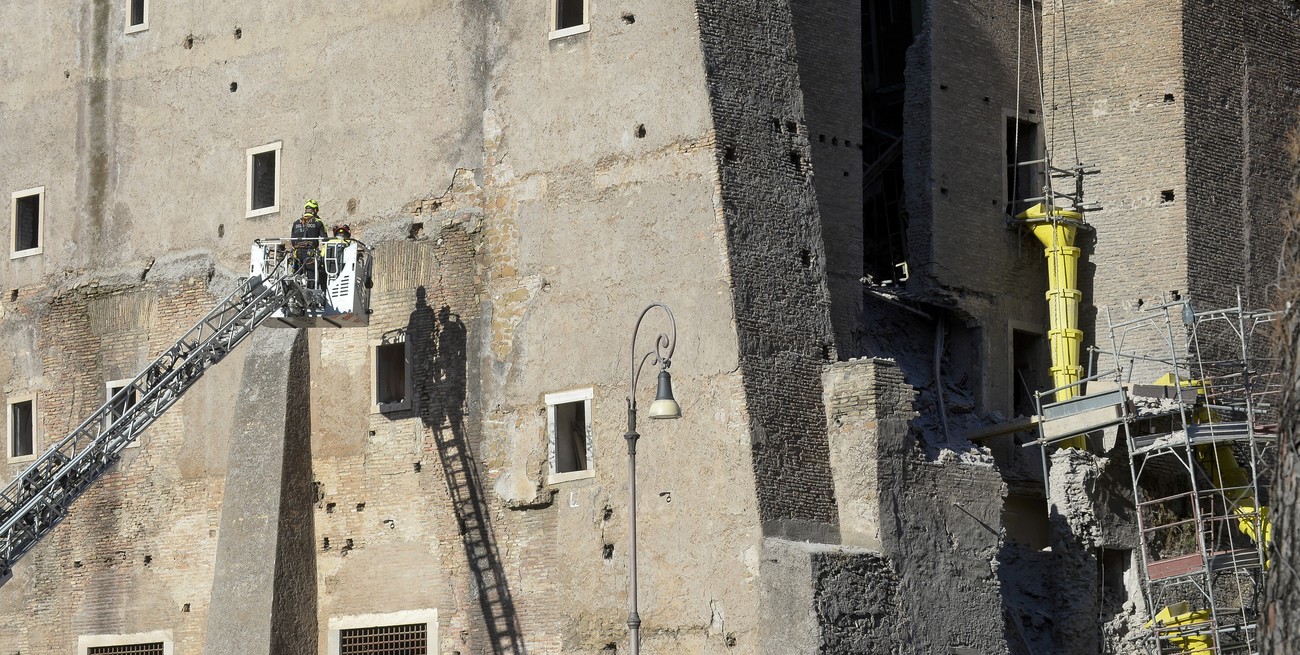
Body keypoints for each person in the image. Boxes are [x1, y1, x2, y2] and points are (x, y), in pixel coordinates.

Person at [290, 200, 327, 289]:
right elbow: (325, 239)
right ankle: (311, 299)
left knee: (297, 278)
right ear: (315, 210)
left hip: (297, 255)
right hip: (310, 255)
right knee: (312, 279)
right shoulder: (318, 222)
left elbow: (292, 241)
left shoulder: (296, 223)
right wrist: (322, 255)